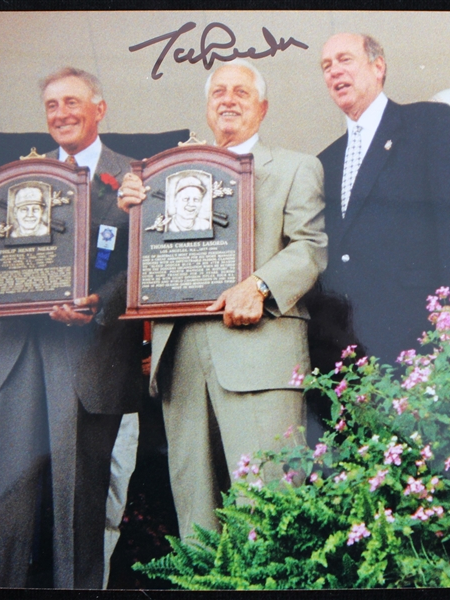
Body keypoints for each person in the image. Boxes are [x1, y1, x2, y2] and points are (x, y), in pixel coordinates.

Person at [118, 59, 327, 539]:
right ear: (207, 107)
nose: (228, 100)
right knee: (197, 518)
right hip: (184, 358)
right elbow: (154, 261)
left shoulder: (296, 166)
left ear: (263, 107)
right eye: (218, 93)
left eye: (241, 92)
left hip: (259, 354)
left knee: (269, 512)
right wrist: (135, 205)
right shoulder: (166, 175)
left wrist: (259, 286)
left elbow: (311, 248)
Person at [0, 67, 142, 589]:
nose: (60, 114)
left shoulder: (134, 177)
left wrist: (99, 302)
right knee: (5, 511)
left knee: (80, 512)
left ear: (100, 108)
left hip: (90, 357)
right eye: (51, 105)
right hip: (18, 352)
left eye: (72, 102)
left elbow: (151, 264)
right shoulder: (14, 181)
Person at [316, 33, 450, 364]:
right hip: (356, 353)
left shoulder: (429, 122)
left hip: (428, 333)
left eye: (345, 60)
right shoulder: (326, 161)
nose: (334, 71)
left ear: (378, 66)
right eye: (326, 66)